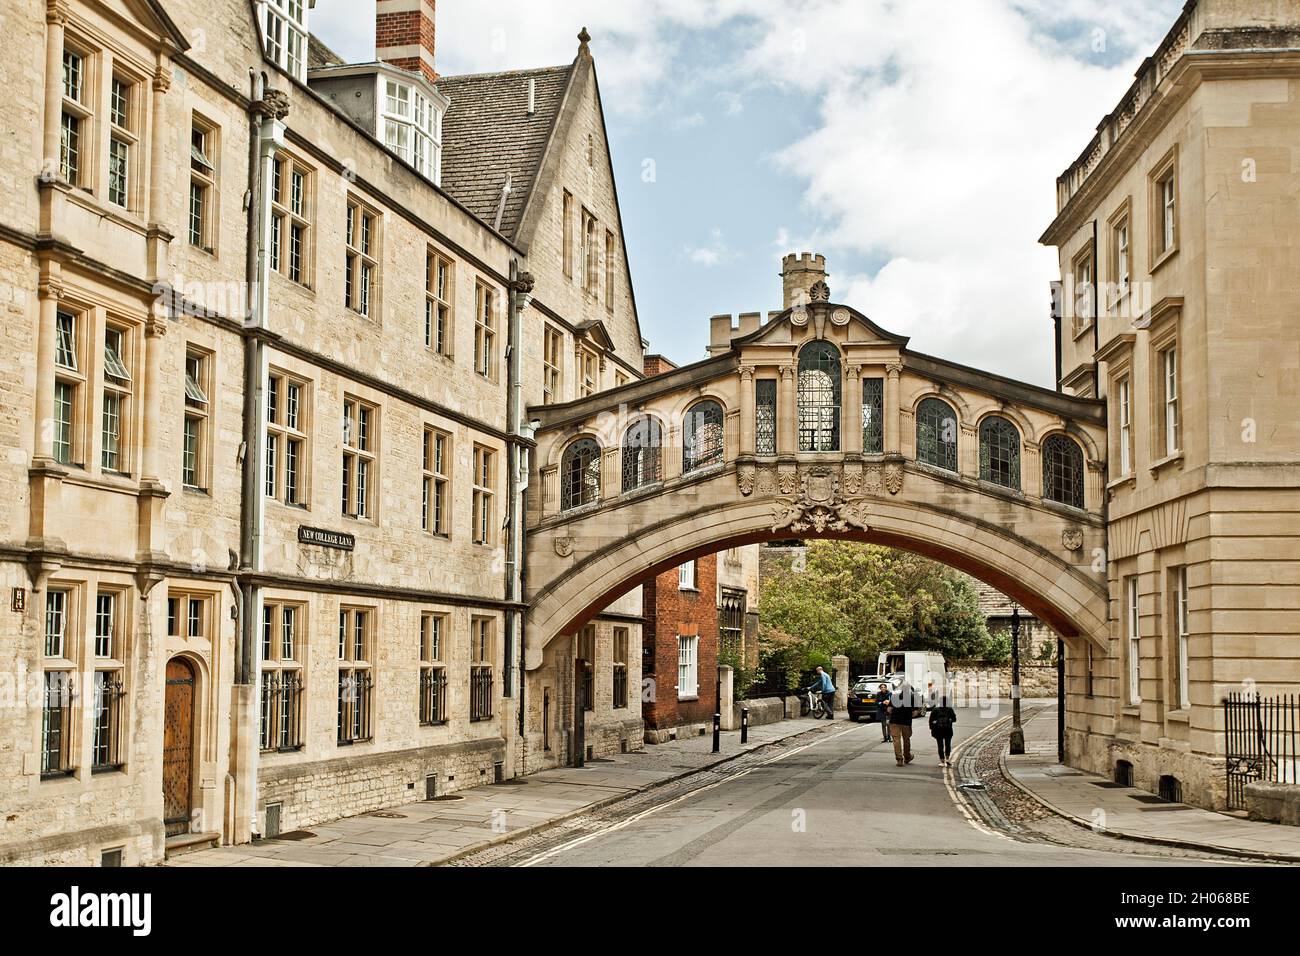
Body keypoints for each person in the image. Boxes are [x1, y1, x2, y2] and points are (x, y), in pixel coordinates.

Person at [888, 679, 917, 766]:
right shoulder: (912, 697)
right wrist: (909, 715)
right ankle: (907, 757)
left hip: (894, 721)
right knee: (906, 740)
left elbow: (889, 709)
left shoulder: (894, 696)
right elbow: (915, 712)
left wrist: (894, 713)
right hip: (906, 722)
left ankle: (899, 759)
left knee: (896, 740)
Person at [928, 694, 957, 766]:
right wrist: (949, 720)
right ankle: (947, 758)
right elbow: (954, 719)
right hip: (948, 730)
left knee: (940, 746)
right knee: (948, 744)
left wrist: (932, 728)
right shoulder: (950, 709)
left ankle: (942, 761)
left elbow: (931, 720)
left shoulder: (935, 710)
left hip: (938, 731)